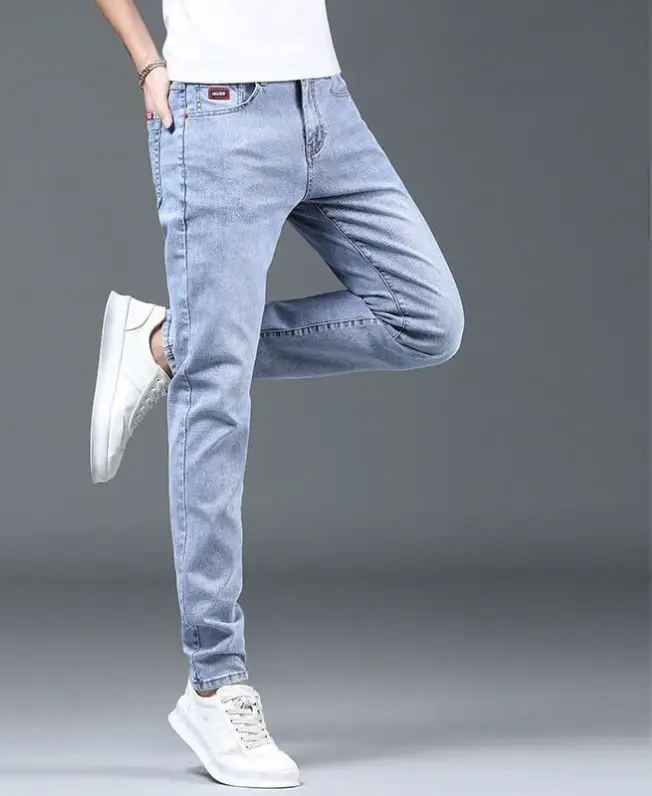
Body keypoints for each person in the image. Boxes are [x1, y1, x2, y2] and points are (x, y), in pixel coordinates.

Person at [90, 0, 464, 788]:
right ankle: (215, 684)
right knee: (215, 399)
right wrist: (147, 61)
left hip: (323, 103)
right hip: (218, 111)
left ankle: (167, 344)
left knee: (425, 320)